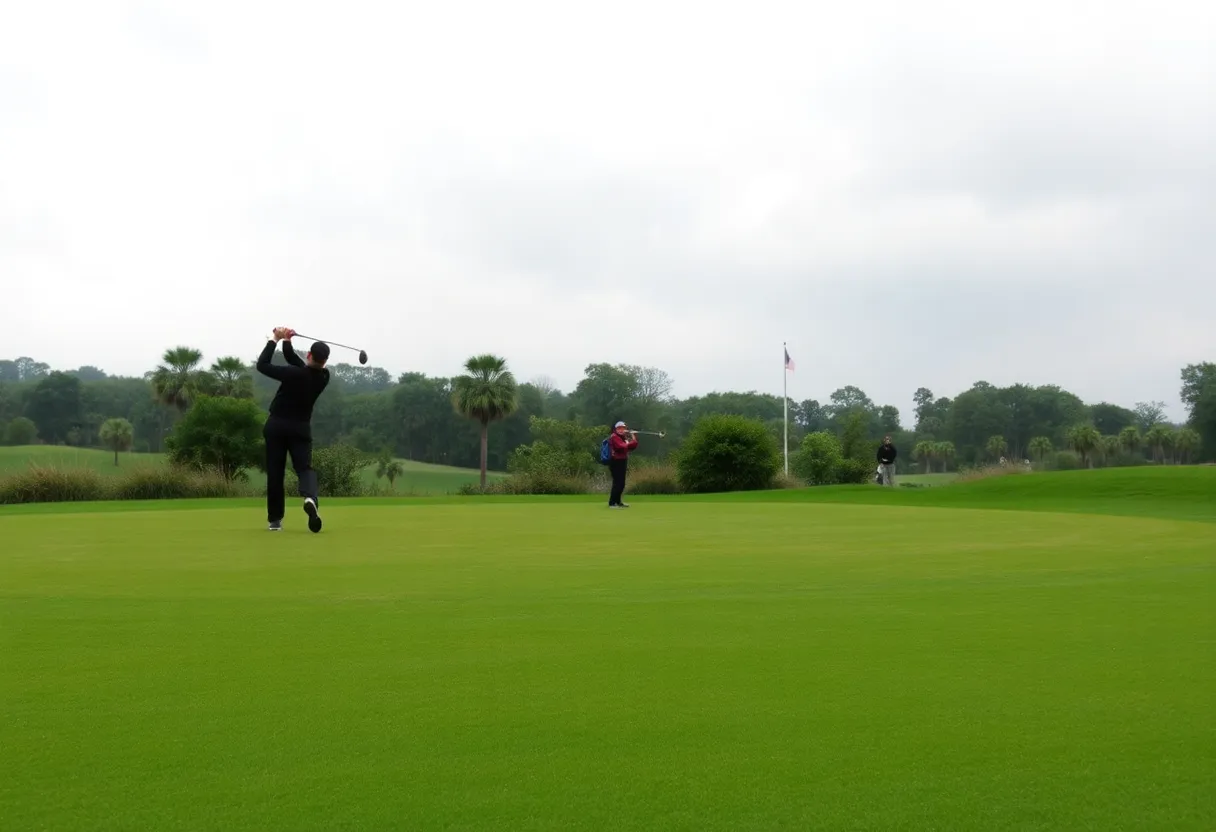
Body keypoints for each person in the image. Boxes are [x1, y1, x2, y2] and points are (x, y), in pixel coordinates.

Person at [255, 327, 331, 532]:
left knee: (276, 472)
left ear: (309, 355)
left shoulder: (293, 374)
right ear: (324, 361)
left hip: (276, 426)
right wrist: (287, 341)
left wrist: (274, 339)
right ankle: (310, 497)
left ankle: (275, 521)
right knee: (304, 469)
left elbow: (262, 365)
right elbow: (294, 360)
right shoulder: (324, 376)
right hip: (301, 429)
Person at [607, 421, 639, 508]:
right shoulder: (614, 437)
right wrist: (629, 443)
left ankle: (618, 502)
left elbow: (633, 446)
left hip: (622, 461)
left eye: (623, 428)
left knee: (622, 483)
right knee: (617, 483)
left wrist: (633, 436)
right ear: (616, 429)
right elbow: (622, 446)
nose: (621, 430)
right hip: (615, 461)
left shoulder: (623, 437)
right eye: (619, 428)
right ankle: (612, 503)